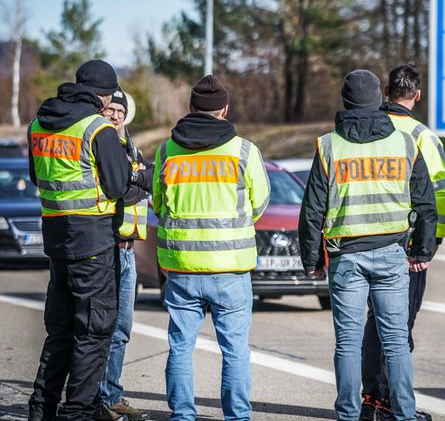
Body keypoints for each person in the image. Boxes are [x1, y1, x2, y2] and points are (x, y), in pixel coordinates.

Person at [298, 69, 437, 421]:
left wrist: (312, 258)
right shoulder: (406, 143)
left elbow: (313, 209)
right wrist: (422, 251)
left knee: (347, 342)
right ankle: (404, 414)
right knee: (395, 342)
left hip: (346, 257)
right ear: (380, 99)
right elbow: (425, 202)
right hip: (392, 254)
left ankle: (348, 414)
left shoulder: (329, 145)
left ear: (344, 102)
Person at [152, 74, 270, 421]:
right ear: (225, 110)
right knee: (234, 349)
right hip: (230, 267)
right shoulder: (244, 151)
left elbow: (158, 205)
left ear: (190, 109)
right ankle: (237, 416)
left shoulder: (167, 151)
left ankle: (183, 415)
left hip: (182, 266)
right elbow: (260, 203)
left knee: (180, 347)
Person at [27, 60, 132, 421]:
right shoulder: (97, 127)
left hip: (55, 239)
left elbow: (38, 177)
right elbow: (118, 186)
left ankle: (41, 410)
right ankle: (78, 412)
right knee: (93, 330)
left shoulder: (38, 124)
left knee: (60, 329)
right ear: (105, 96)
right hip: (93, 241)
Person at [360, 64, 445, 421]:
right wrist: (433, 239)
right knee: (398, 325)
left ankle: (370, 399)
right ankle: (388, 403)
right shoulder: (419, 134)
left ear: (386, 92)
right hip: (406, 246)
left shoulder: (364, 127)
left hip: (364, 241)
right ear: (417, 95)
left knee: (373, 322)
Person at [93, 89, 152, 421]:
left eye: (120, 110)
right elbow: (123, 189)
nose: (115, 115)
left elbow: (143, 185)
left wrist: (139, 181)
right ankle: (99, 398)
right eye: (110, 108)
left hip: (129, 250)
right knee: (105, 327)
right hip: (108, 247)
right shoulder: (102, 145)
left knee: (123, 328)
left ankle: (111, 395)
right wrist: (139, 180)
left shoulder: (132, 148)